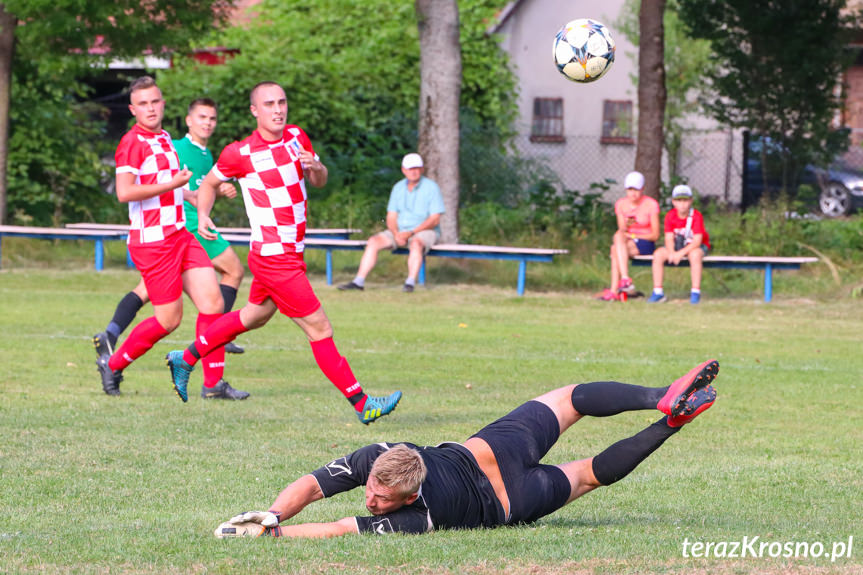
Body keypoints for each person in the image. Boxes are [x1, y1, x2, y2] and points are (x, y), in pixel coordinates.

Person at [213, 359, 719, 538]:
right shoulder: (382, 456)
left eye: (381, 501)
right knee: (572, 406)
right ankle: (664, 406)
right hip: (493, 450)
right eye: (372, 492)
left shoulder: (416, 515)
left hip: (510, 498)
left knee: (587, 471)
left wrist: (278, 538)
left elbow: (339, 527)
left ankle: (669, 412)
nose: (370, 501)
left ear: (408, 497)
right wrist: (275, 513)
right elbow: (314, 484)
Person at [164, 81, 402, 423]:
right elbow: (210, 185)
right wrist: (202, 215)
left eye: (282, 102)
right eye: (269, 104)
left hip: (290, 253)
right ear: (255, 111)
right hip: (274, 257)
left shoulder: (296, 136)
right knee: (319, 329)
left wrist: (316, 167)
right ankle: (363, 404)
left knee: (253, 317)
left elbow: (319, 180)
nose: (278, 109)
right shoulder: (239, 153)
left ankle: (185, 358)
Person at [93, 98, 250, 401]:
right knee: (169, 320)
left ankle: (213, 385)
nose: (150, 108)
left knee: (214, 303)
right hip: (154, 241)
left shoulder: (164, 138)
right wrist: (173, 186)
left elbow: (173, 183)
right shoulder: (131, 142)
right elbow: (124, 192)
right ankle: (112, 364)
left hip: (180, 233)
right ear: (132, 109)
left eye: (155, 101)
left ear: (163, 104)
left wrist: (188, 194)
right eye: (143, 103)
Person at [338, 153, 444, 293]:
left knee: (416, 243)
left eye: (417, 168)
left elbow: (435, 219)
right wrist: (396, 234)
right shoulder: (398, 188)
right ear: (403, 170)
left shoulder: (431, 188)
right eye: (410, 168)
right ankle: (359, 281)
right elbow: (391, 217)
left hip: (424, 230)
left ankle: (410, 282)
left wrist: (411, 233)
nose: (414, 171)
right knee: (373, 241)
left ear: (422, 169)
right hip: (399, 230)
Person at [598, 171, 660, 301]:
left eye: (636, 189)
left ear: (642, 189)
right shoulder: (621, 204)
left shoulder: (651, 204)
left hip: (645, 240)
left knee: (615, 250)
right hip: (628, 240)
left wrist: (634, 234)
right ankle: (625, 280)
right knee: (617, 238)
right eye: (630, 189)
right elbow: (622, 229)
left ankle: (615, 289)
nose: (633, 193)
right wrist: (629, 221)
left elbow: (655, 235)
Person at [648, 185, 711, 305]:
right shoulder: (670, 216)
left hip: (695, 246)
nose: (682, 204)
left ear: (691, 201)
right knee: (658, 255)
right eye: (679, 200)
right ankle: (658, 292)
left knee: (695, 255)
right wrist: (671, 252)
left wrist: (680, 254)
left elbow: (697, 241)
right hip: (677, 246)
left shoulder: (696, 216)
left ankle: (695, 292)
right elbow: (669, 238)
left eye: (685, 200)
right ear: (673, 202)